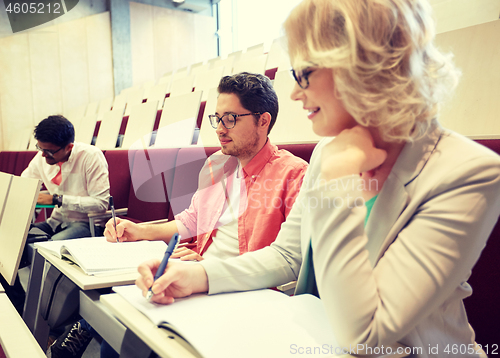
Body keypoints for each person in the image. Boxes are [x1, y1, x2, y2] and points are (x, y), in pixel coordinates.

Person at [136, 0, 500, 357]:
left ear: (363, 67)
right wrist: (197, 277)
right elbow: (287, 255)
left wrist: (340, 180)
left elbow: (366, 335)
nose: (294, 93)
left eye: (304, 74)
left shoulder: (469, 173)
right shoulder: (329, 151)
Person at [48, 72, 308, 358]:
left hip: (243, 288)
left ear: (263, 120)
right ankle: (91, 325)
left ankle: (90, 327)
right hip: (199, 270)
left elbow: (286, 260)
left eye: (231, 119)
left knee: (128, 334)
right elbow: (192, 219)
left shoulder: (293, 174)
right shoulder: (217, 165)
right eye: (217, 118)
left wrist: (208, 266)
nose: (220, 129)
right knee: (125, 318)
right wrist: (140, 231)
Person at [22, 114, 110, 240]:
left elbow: (101, 204)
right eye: (40, 148)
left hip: (87, 224)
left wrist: (57, 200)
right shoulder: (43, 155)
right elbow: (24, 183)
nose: (43, 155)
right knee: (18, 236)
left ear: (69, 147)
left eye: (49, 151)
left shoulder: (91, 156)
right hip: (56, 222)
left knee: (50, 246)